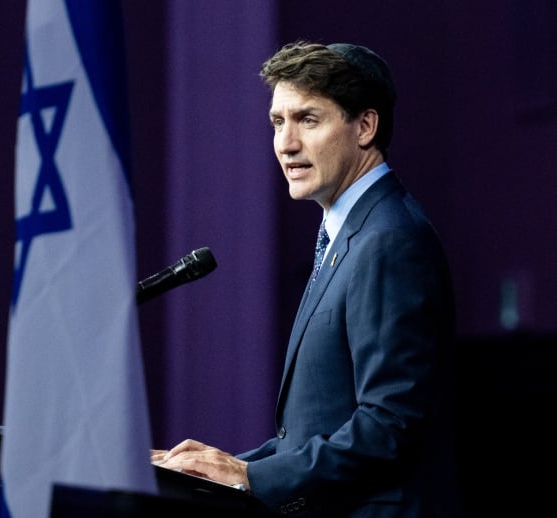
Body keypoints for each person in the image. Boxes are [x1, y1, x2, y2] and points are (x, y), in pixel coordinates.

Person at [151, 40, 461, 517]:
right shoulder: (351, 236)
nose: (286, 143)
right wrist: (212, 469)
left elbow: (389, 424)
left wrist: (251, 477)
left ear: (365, 126)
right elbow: (319, 427)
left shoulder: (388, 241)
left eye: (308, 120)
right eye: (278, 121)